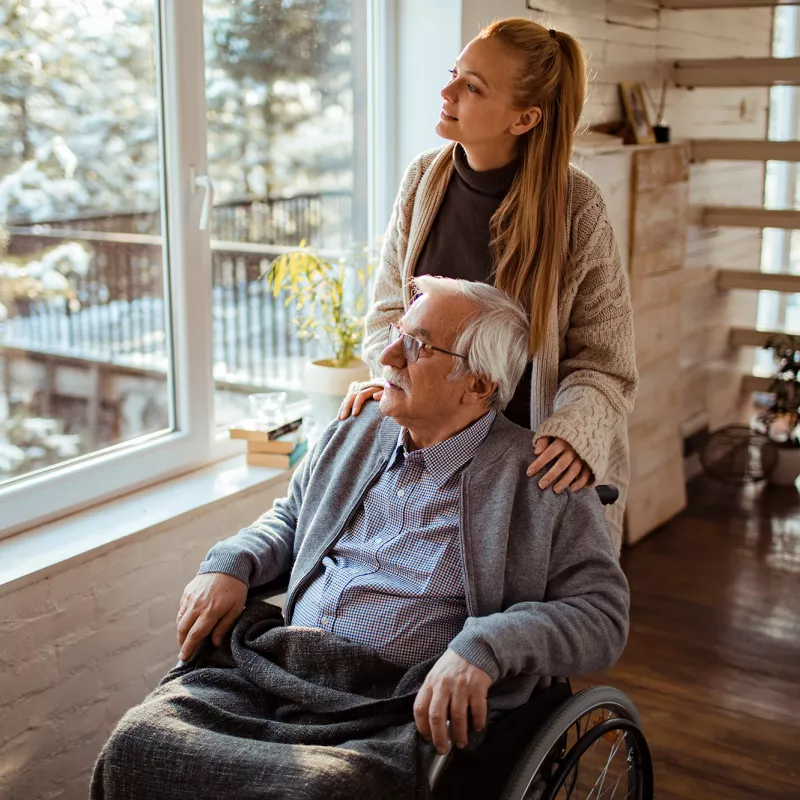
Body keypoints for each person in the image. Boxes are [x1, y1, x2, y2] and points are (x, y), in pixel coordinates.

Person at [92, 278, 629, 800]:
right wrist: (230, 563)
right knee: (137, 744)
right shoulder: (355, 429)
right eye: (399, 330)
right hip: (278, 669)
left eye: (416, 346)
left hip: (394, 706)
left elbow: (602, 616)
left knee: (321, 790)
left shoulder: (543, 480)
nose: (388, 354)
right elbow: (290, 521)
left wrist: (486, 646)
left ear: (479, 384)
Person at [341, 18, 637, 548]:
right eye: (455, 73)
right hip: (435, 460)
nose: (447, 90)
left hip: (532, 471)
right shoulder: (421, 182)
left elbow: (605, 363)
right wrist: (394, 379)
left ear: (524, 119)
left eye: (472, 86)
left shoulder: (578, 207)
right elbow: (389, 316)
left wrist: (573, 433)